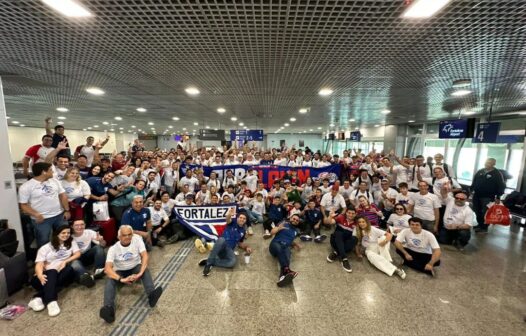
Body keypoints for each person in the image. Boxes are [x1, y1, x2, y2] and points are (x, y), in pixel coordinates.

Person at [99, 225, 163, 323]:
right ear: (119, 237)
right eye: (124, 235)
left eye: (130, 234)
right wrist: (121, 279)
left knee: (145, 270)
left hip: (135, 267)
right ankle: (108, 308)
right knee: (110, 280)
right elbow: (107, 268)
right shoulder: (113, 248)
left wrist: (140, 272)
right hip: (120, 270)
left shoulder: (137, 240)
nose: (128, 237)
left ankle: (151, 295)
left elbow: (145, 255)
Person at [28, 225, 79, 317]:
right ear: (56, 234)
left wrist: (65, 261)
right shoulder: (45, 248)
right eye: (63, 233)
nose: (66, 235)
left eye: (68, 233)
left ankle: (37, 298)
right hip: (43, 278)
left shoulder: (71, 242)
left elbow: (77, 254)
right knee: (52, 271)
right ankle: (51, 301)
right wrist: (39, 275)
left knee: (69, 270)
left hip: (59, 275)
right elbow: (39, 264)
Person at [19, 162, 71, 247]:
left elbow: (63, 195)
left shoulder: (55, 181)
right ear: (44, 172)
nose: (53, 172)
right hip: (42, 219)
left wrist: (66, 210)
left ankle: (64, 255)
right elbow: (23, 205)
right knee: (43, 241)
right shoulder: (26, 186)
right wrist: (36, 214)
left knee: (65, 238)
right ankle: (44, 259)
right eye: (50, 170)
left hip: (59, 216)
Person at [199, 209, 252, 276]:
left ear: (246, 220)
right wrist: (229, 214)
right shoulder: (232, 223)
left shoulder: (243, 231)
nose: (242, 219)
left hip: (229, 250)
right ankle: (208, 264)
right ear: (237, 218)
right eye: (240, 217)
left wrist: (247, 247)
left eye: (244, 218)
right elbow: (227, 219)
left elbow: (240, 243)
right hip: (220, 246)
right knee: (221, 239)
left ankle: (211, 260)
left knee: (232, 263)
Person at [471, 158, 506, 233]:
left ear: (494, 164)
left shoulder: (497, 173)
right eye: (486, 162)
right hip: (477, 195)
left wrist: (498, 196)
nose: (487, 164)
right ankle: (480, 224)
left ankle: (484, 228)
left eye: (489, 163)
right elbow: (474, 181)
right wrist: (471, 190)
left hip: (488, 197)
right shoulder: (480, 171)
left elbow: (501, 186)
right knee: (477, 211)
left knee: (485, 212)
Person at [268, 214, 302, 287]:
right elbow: (271, 232)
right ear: (290, 218)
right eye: (294, 218)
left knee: (288, 253)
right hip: (275, 245)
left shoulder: (295, 231)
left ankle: (282, 276)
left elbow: (289, 240)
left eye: (297, 220)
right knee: (280, 247)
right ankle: (287, 270)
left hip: (285, 247)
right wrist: (278, 229)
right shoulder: (283, 224)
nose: (295, 220)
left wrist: (295, 244)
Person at [70, 220, 106, 286]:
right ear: (72, 226)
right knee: (74, 264)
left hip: (88, 254)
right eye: (76, 225)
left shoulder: (89, 232)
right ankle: (87, 277)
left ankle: (99, 271)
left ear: (85, 225)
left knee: (98, 247)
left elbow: (103, 245)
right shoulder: (69, 236)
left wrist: (101, 240)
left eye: (82, 224)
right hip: (76, 258)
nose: (79, 227)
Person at [327, 208, 358, 272]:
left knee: (355, 239)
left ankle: (336, 252)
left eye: (353, 213)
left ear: (355, 214)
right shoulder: (341, 217)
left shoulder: (356, 223)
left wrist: (358, 253)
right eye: (349, 213)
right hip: (335, 240)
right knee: (339, 233)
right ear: (346, 213)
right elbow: (330, 222)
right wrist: (330, 216)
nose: (350, 215)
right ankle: (344, 258)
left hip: (346, 244)